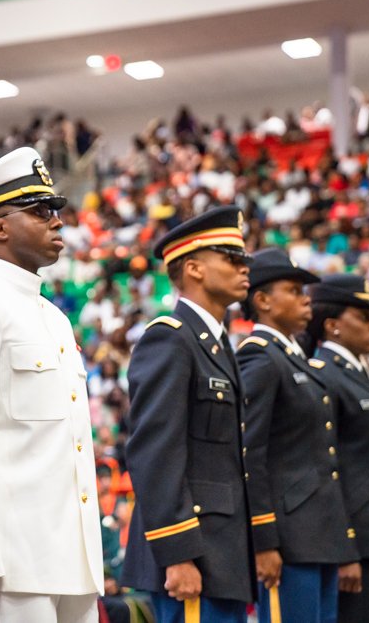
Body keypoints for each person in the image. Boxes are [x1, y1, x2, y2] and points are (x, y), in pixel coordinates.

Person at [0, 146, 104, 622]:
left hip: (73, 555)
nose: (57, 221)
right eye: (40, 212)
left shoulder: (55, 318)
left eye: (55, 211)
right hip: (18, 560)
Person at [121, 206, 257, 623]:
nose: (243, 269)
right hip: (192, 553)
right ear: (194, 268)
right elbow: (154, 453)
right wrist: (177, 553)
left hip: (223, 551)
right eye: (231, 259)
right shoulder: (170, 339)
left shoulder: (216, 345)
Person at [236, 249, 359, 622]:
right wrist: (265, 540)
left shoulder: (292, 357)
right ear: (262, 300)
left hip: (318, 533)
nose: (306, 299)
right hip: (288, 537)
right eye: (293, 290)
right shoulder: (259, 357)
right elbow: (249, 453)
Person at [305, 275, 369, 623]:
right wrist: (345, 549)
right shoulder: (325, 376)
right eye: (363, 317)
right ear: (332, 325)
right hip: (356, 548)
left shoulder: (357, 374)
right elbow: (326, 468)